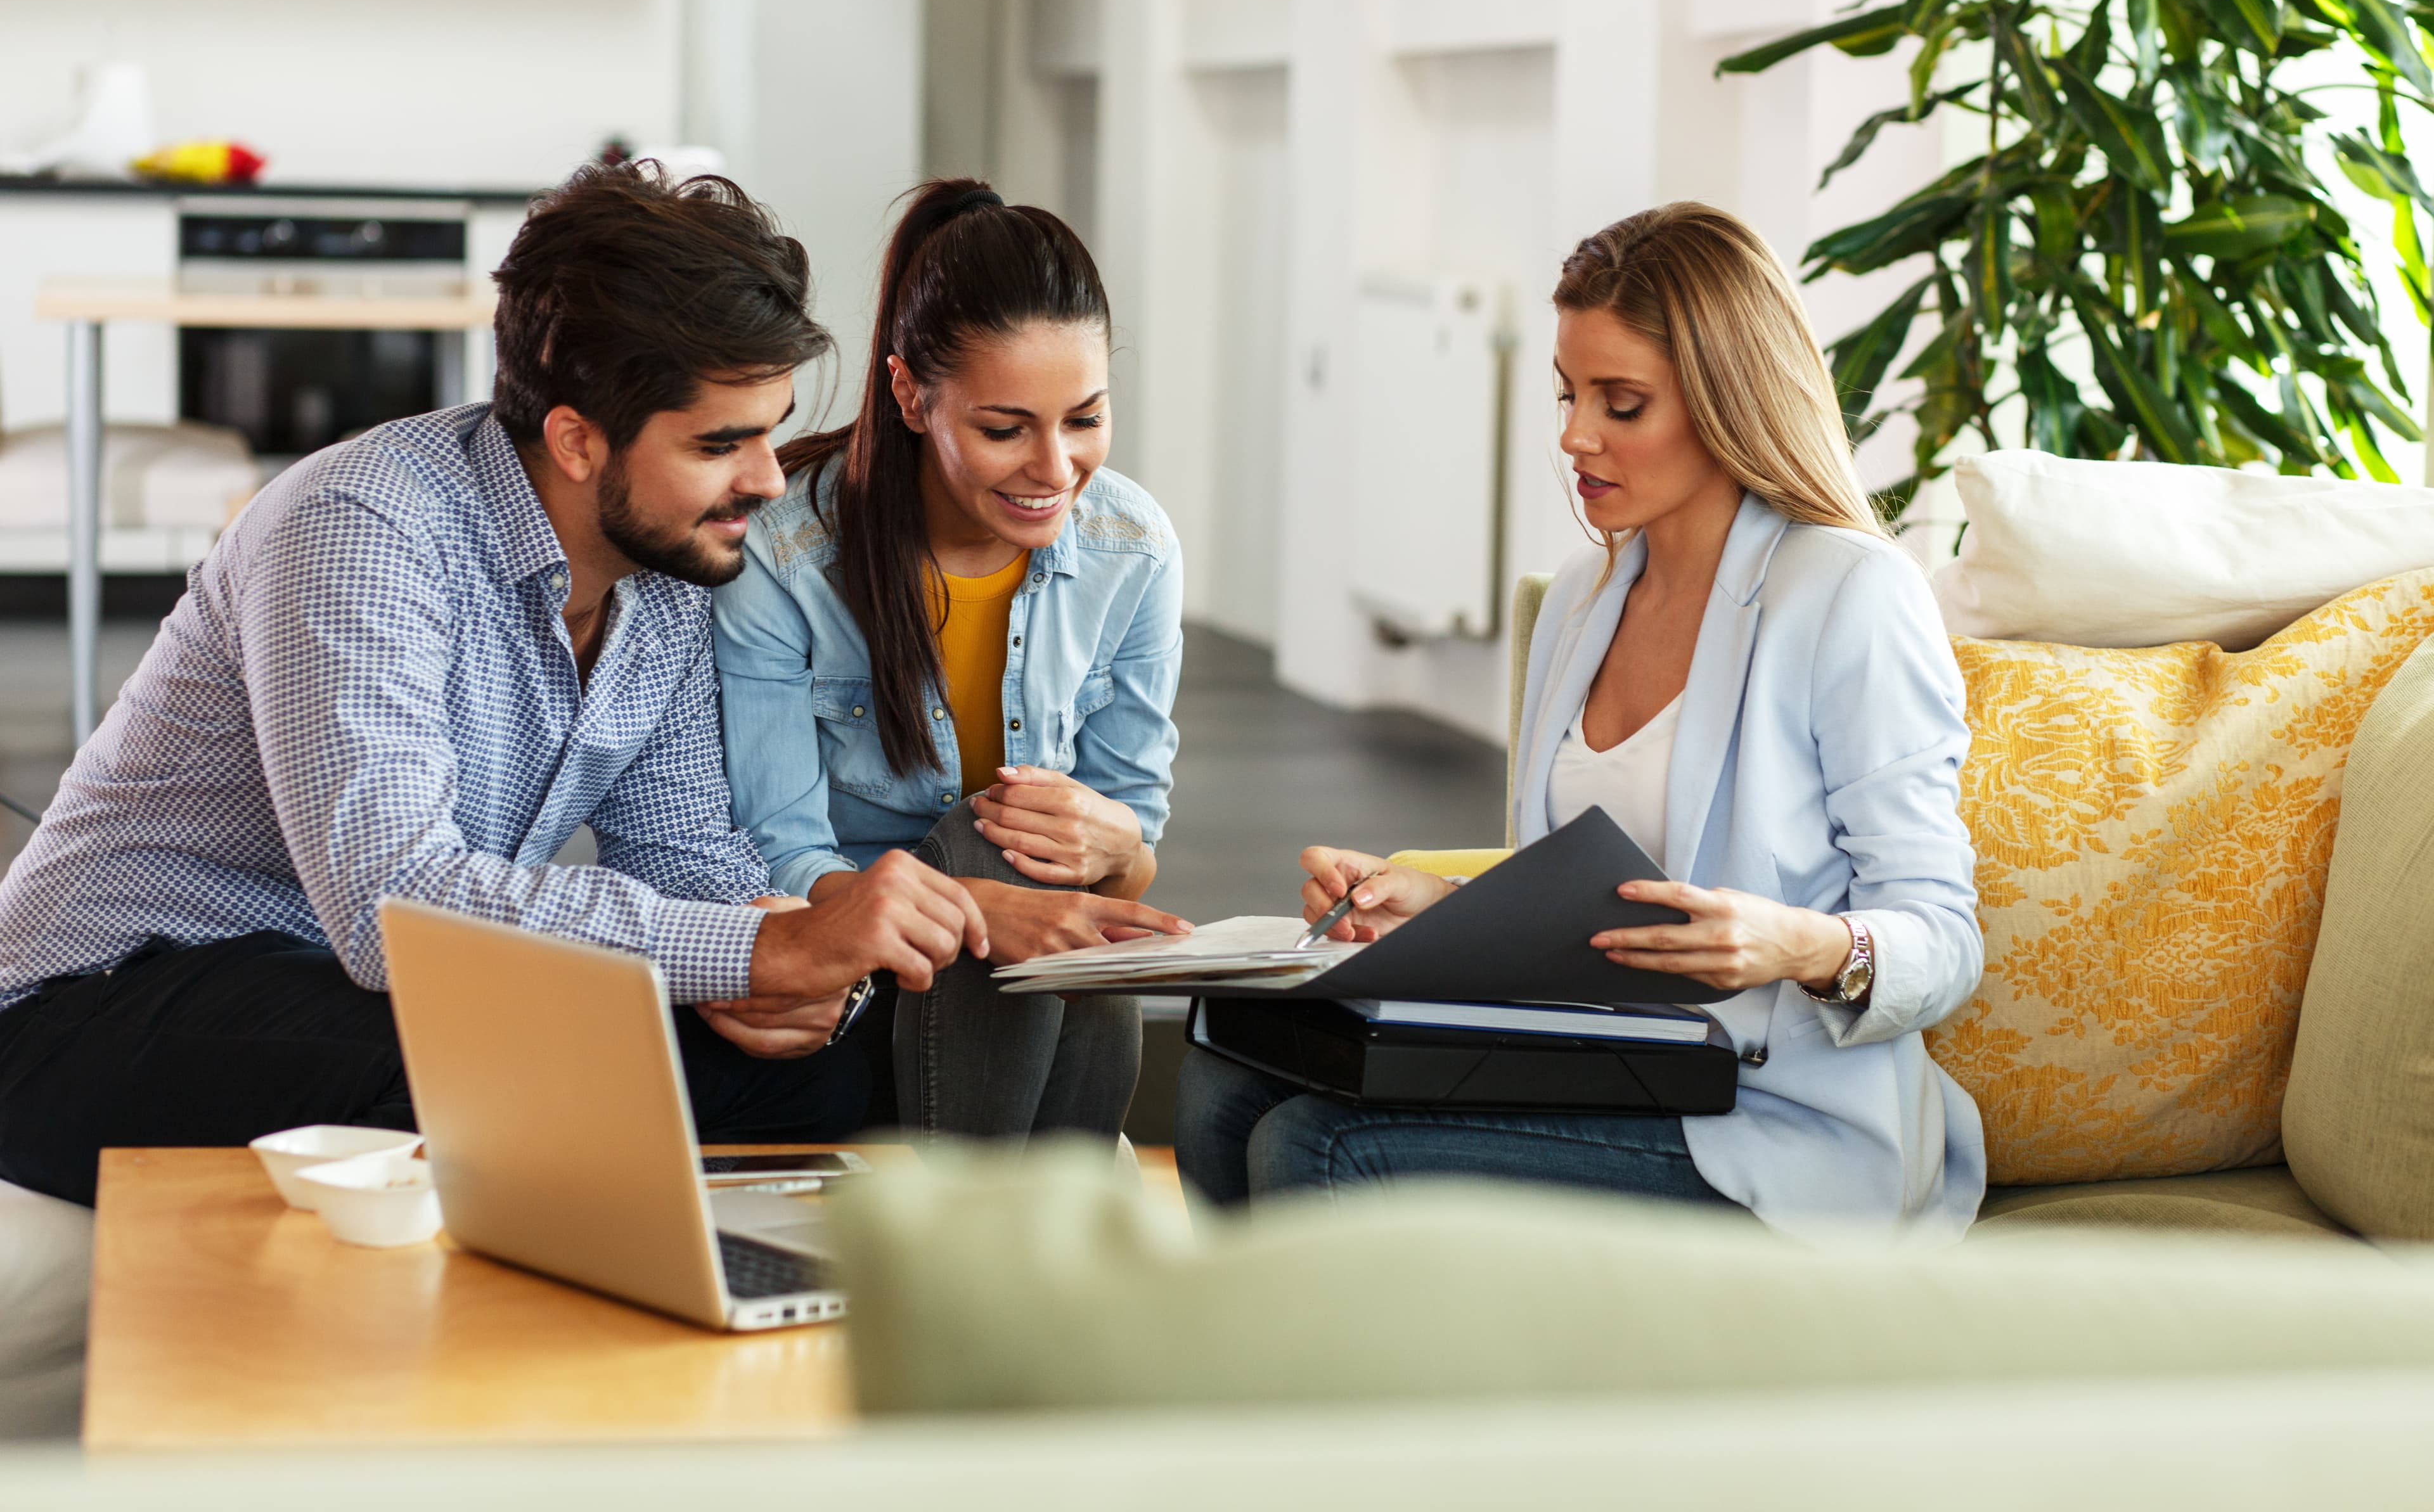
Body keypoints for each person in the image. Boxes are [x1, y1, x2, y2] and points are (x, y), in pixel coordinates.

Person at [0, 163, 988, 1207]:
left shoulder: (666, 578)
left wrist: (790, 973)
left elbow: (686, 853)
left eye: (768, 430)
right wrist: (755, 946)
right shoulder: (362, 529)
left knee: (812, 1077)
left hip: (346, 990)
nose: (765, 479)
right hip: (98, 1002)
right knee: (510, 1070)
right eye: (719, 443)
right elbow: (395, 903)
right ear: (575, 439)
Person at [1175, 202, 1986, 1240]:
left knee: (1316, 1146)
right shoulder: (1580, 598)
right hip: (1606, 1071)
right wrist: (1442, 904)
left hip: (1771, 1122)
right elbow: (1582, 902)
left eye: (1622, 403)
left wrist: (1795, 945)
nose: (1573, 435)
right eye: (1569, 394)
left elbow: (1945, 940)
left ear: (1726, 401)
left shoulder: (1849, 595)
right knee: (1219, 1090)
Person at [715, 178, 1187, 1143]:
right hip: (856, 968)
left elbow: (1129, 854)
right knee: (993, 841)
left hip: (1028, 980)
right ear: (910, 394)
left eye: (1086, 419)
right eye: (1005, 429)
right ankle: (1036, 1235)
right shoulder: (785, 552)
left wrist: (1116, 848)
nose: (1055, 469)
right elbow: (782, 853)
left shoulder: (1134, 548)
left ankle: (1016, 1244)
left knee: (1049, 859)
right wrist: (982, 904)